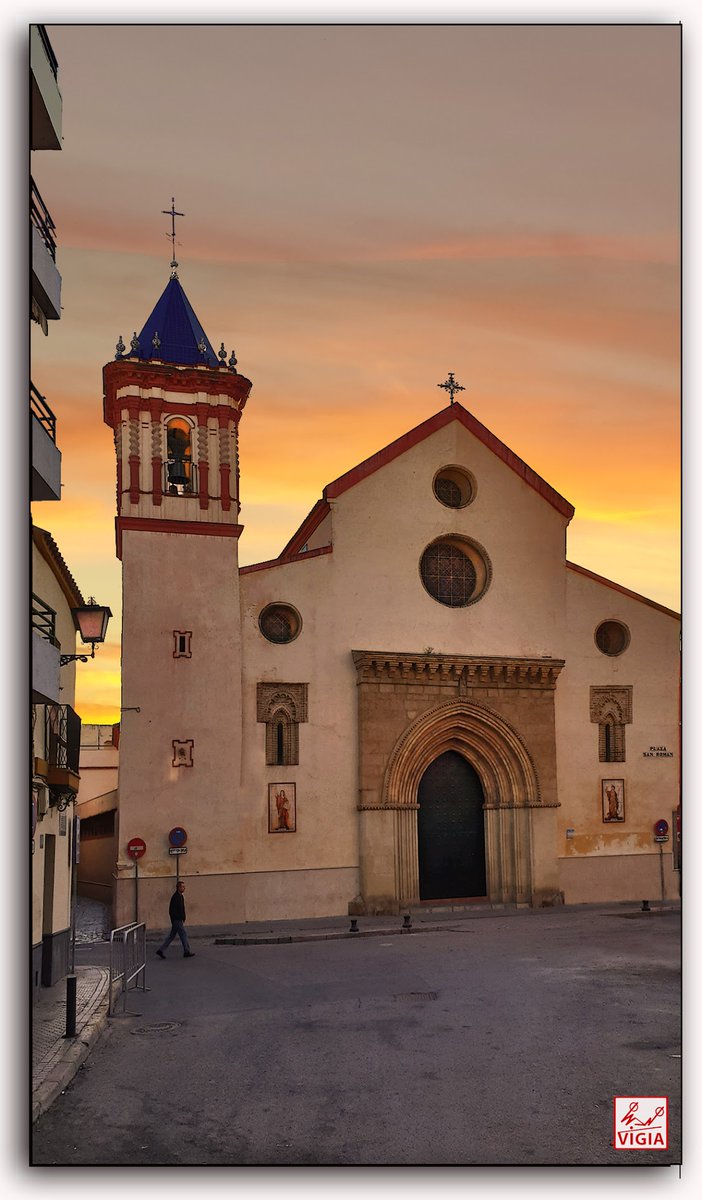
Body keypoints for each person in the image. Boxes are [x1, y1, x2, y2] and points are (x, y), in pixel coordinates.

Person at [156, 881, 195, 958]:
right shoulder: (175, 897)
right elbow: (172, 910)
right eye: (182, 887)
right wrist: (177, 918)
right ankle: (186, 951)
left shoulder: (181, 896)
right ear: (178, 887)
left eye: (184, 887)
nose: (184, 888)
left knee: (171, 936)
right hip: (176, 920)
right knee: (183, 934)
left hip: (178, 920)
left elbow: (182, 908)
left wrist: (183, 917)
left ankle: (161, 950)